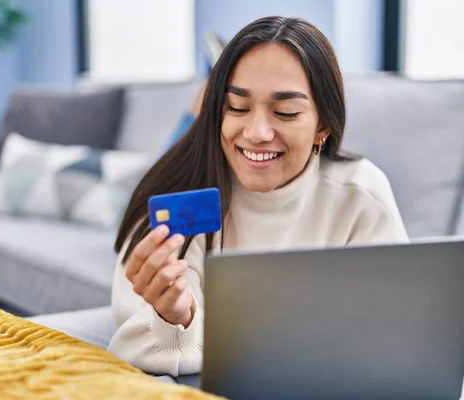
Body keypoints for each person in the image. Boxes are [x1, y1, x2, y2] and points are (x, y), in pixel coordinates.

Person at [107, 16, 409, 377]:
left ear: (323, 127)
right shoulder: (177, 198)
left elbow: (396, 333)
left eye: (285, 112)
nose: (257, 132)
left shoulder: (361, 195)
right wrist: (175, 318)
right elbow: (134, 345)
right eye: (236, 107)